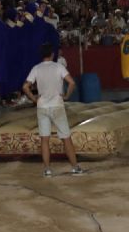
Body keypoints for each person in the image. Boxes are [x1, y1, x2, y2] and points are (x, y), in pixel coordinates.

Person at [22, 43, 83, 177]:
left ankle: (47, 169)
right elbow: (72, 82)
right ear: (52, 54)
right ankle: (75, 167)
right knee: (66, 138)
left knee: (45, 139)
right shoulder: (58, 67)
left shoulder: (36, 68)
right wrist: (66, 95)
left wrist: (34, 99)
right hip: (57, 105)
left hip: (42, 106)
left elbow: (25, 86)